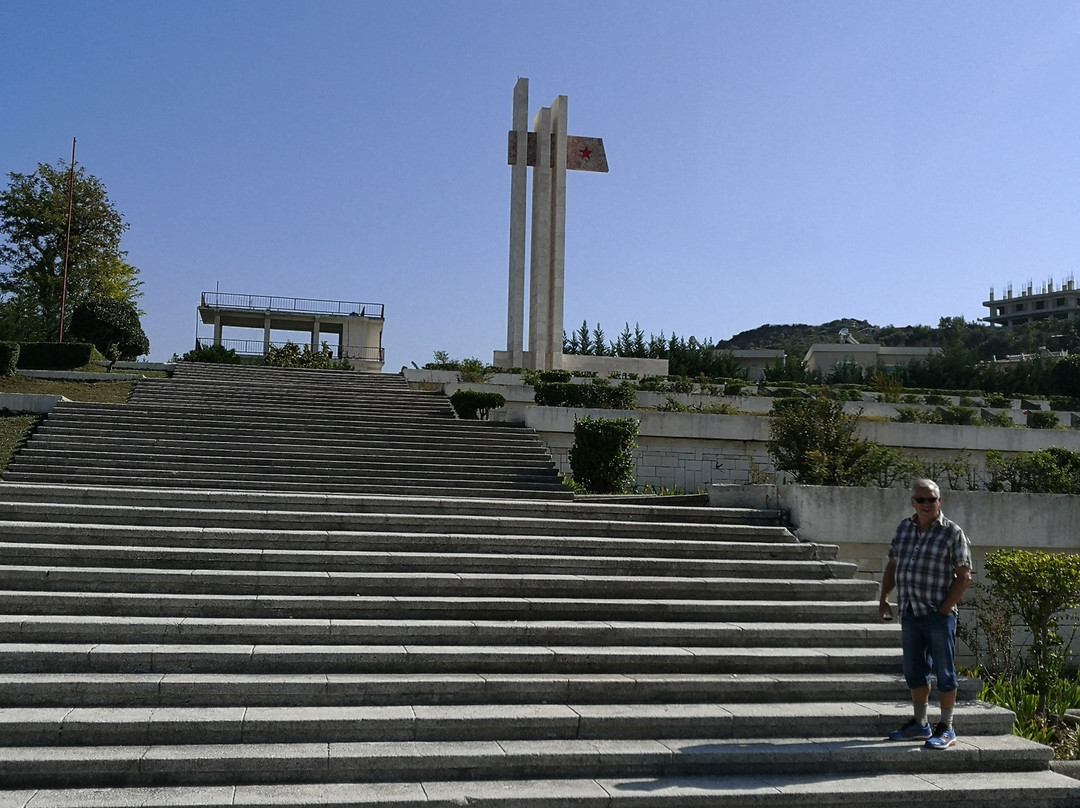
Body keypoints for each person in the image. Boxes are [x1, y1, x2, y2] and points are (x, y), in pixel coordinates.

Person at [878, 478, 973, 750]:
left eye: (932, 499)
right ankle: (921, 725)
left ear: (939, 501)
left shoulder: (952, 533)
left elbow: (964, 576)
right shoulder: (904, 529)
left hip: (938, 615)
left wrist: (944, 609)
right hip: (910, 612)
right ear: (913, 502)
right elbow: (893, 565)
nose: (927, 504)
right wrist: (884, 599)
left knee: (944, 672)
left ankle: (947, 727)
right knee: (914, 671)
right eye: (921, 500)